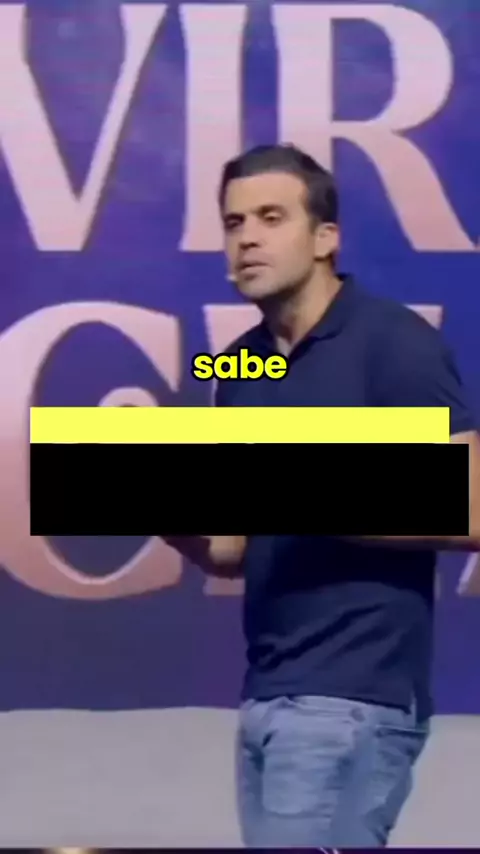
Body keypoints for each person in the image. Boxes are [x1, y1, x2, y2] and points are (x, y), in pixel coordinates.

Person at [163, 144, 480, 848]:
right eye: (234, 221)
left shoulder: (392, 341)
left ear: (325, 237)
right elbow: (232, 549)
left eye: (271, 217)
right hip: (267, 692)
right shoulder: (239, 365)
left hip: (354, 696)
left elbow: (470, 504)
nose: (247, 237)